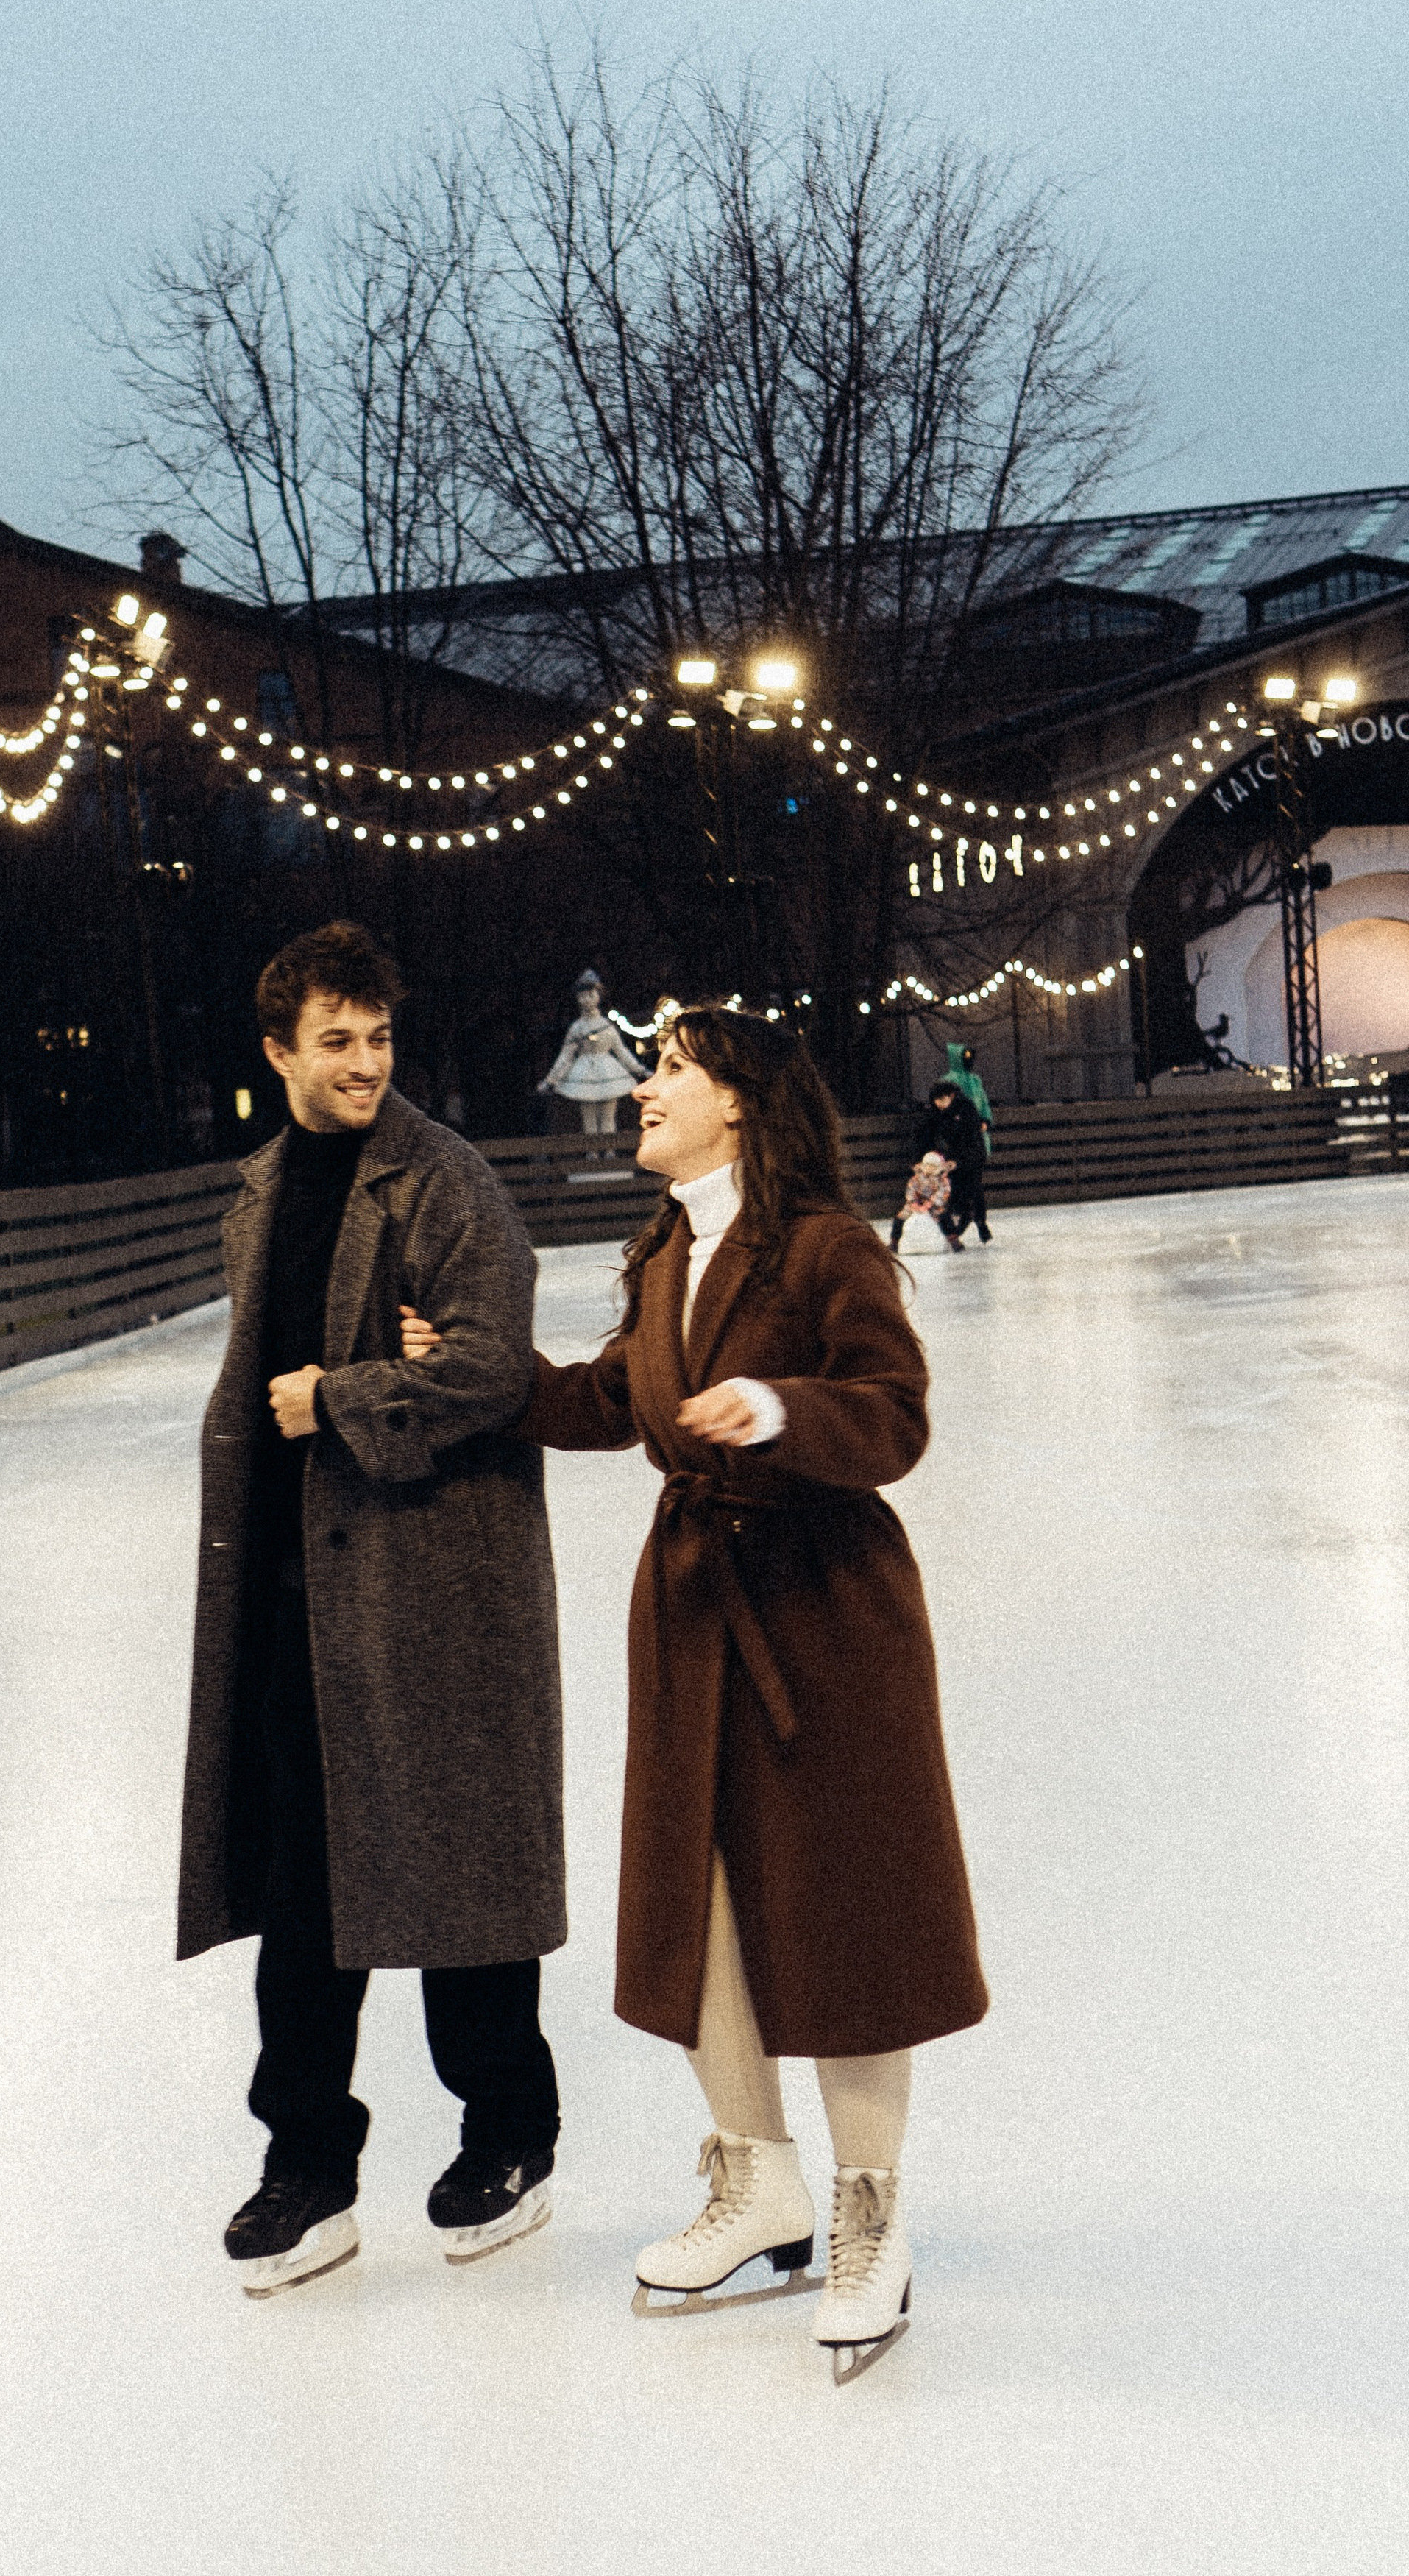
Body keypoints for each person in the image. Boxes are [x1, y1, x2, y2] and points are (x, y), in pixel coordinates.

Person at [402, 1008, 986, 2376]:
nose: (645, 1091)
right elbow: (611, 1401)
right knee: (702, 1896)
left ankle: (868, 2211)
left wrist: (779, 1411)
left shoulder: (826, 1247)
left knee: (842, 1906)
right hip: (692, 1610)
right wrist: (479, 1377)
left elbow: (895, 1409)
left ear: (740, 1103)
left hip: (823, 1609)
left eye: (672, 1070)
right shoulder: (667, 1254)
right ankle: (758, 2177)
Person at [177, 921, 566, 2298]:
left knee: (461, 1871)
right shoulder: (261, 1190)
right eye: (335, 1040)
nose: (364, 1063)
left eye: (379, 1037)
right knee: (304, 1890)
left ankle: (507, 2133)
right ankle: (306, 2164)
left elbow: (496, 1364)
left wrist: (339, 1399)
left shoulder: (444, 1180)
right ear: (276, 1052)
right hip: (295, 1588)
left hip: (433, 1581)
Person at [536, 972, 648, 1135]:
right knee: (589, 1121)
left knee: (608, 1118)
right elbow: (565, 1057)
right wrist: (550, 1081)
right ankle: (592, 1149)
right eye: (582, 996)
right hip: (583, 1074)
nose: (586, 1000)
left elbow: (621, 1051)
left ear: (598, 996)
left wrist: (640, 1070)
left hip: (608, 1071)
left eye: (590, 995)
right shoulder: (577, 1028)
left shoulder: (606, 1026)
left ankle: (609, 1148)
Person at [923, 1079, 986, 1249]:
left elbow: (972, 1140)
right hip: (948, 1159)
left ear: (951, 1096)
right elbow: (926, 1136)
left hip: (971, 1157)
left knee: (973, 1191)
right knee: (952, 1196)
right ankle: (954, 1233)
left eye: (942, 1100)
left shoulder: (966, 1108)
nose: (939, 1104)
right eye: (936, 1100)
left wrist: (959, 1161)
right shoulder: (933, 1112)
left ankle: (980, 1222)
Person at [944, 1044, 993, 1242]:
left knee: (975, 1184)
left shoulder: (975, 1080)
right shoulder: (948, 1082)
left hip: (976, 1141)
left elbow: (984, 1103)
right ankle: (962, 1222)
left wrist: (985, 1120)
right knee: (959, 1186)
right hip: (958, 1144)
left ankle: (979, 1221)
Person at [887, 1144, 954, 1256]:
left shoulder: (942, 1180)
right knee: (900, 1218)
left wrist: (931, 1203)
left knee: (944, 1217)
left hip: (934, 1206)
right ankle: (894, 1242)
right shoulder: (916, 1179)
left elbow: (943, 1193)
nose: (930, 1169)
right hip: (915, 1205)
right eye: (927, 1166)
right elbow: (910, 1191)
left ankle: (953, 1239)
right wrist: (914, 1203)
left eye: (933, 1166)